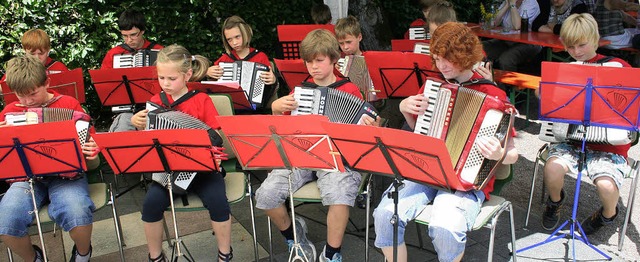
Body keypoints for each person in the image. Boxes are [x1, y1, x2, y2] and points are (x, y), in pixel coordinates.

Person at [373, 22, 519, 262]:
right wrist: (404, 109)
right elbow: (421, 131)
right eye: (436, 59)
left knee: (444, 227)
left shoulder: (495, 96)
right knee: (385, 214)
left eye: (447, 60)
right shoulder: (432, 87)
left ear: (464, 56)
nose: (441, 66)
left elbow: (512, 154)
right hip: (426, 170)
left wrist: (499, 153)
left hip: (465, 179)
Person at [258, 29, 378, 262]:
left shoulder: (350, 90)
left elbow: (362, 133)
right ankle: (294, 235)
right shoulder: (298, 92)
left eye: (319, 60)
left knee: (340, 193)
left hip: (336, 158)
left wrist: (370, 125)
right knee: (265, 195)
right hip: (301, 155)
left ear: (334, 59)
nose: (313, 66)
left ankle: (332, 253)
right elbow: (282, 133)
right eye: (309, 61)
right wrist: (276, 109)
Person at [130, 44, 233, 262]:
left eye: (171, 78)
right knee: (150, 205)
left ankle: (225, 253)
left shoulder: (201, 100)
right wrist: (137, 124)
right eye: (161, 78)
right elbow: (148, 139)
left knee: (218, 202)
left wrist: (210, 149)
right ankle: (156, 256)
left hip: (202, 169)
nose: (165, 84)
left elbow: (216, 135)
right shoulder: (155, 102)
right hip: (168, 171)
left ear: (187, 75)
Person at [0, 55, 99, 262]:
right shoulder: (9, 112)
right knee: (6, 222)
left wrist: (92, 146)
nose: (27, 101)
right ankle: (33, 258)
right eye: (20, 95)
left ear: (47, 82)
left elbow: (91, 138)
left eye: (33, 93)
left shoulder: (68, 104)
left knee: (77, 213)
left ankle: (82, 254)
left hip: (67, 175)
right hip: (25, 179)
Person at [541, 13, 632, 235]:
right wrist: (546, 93)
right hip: (572, 140)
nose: (577, 52)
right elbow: (552, 106)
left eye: (582, 45)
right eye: (571, 47)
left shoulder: (619, 67)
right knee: (552, 169)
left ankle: (608, 214)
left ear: (595, 38)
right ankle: (555, 202)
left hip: (609, 145)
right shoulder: (565, 69)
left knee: (606, 186)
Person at [206, 16, 277, 106]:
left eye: (237, 37)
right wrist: (207, 72)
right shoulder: (225, 59)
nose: (234, 43)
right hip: (230, 107)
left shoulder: (260, 57)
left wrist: (273, 80)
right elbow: (212, 84)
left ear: (245, 33)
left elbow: (270, 88)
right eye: (229, 40)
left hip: (256, 108)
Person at [482, 0, 542, 74]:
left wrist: (512, 5)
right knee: (480, 48)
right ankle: (483, 80)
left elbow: (517, 26)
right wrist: (507, 5)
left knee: (506, 59)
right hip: (507, 41)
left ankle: (507, 85)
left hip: (528, 43)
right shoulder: (507, 2)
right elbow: (493, 23)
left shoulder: (531, 3)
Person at [1, 29, 69, 81]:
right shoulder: (17, 68)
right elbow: (2, 88)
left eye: (41, 53)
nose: (37, 58)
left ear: (48, 50)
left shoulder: (59, 68)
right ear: (25, 50)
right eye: (32, 54)